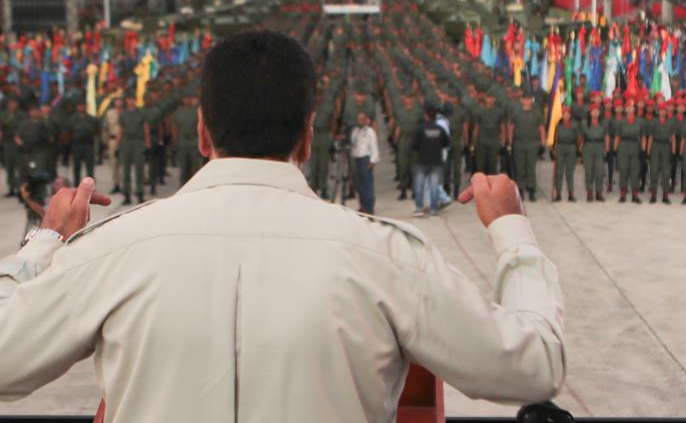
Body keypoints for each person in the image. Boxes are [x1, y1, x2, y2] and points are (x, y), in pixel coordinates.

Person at [0, 30, 566, 422]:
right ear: (307, 136)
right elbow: (534, 366)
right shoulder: (389, 257)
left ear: (203, 133)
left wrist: (45, 243)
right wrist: (511, 232)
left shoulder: (113, 250)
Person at [411, 103, 450, 217]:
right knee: (434, 185)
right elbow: (446, 143)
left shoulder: (420, 129)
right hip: (436, 161)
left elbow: (413, 145)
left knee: (419, 185)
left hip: (422, 161)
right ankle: (434, 209)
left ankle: (419, 208)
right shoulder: (440, 129)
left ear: (426, 115)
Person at [508, 95, 545, 201]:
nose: (527, 101)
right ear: (521, 100)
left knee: (531, 167)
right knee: (519, 167)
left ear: (531, 101)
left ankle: (531, 189)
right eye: (525, 99)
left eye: (529, 99)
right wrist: (510, 143)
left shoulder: (537, 114)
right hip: (519, 143)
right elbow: (511, 128)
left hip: (533, 143)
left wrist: (542, 144)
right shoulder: (516, 113)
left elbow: (541, 129)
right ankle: (520, 189)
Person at [614, 99, 645, 204]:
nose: (630, 109)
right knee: (623, 170)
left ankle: (635, 195)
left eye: (632, 107)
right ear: (625, 109)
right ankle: (623, 194)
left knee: (635, 171)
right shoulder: (621, 122)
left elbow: (643, 137)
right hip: (623, 146)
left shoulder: (640, 121)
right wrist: (615, 150)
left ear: (634, 109)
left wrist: (643, 150)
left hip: (635, 146)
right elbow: (617, 136)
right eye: (628, 107)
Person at [119, 95, 148, 205]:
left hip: (138, 142)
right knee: (125, 170)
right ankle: (126, 194)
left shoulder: (141, 113)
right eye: (129, 99)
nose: (131, 101)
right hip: (126, 142)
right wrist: (117, 145)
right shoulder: (123, 114)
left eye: (132, 99)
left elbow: (146, 129)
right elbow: (121, 130)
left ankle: (140, 193)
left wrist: (147, 145)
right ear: (126, 101)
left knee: (139, 169)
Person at [350, 111, 379, 214]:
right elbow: (353, 145)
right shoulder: (355, 131)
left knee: (367, 185)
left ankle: (370, 208)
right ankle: (362, 206)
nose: (360, 121)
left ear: (367, 120)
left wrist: (372, 161)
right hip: (357, 159)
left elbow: (374, 147)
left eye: (362, 119)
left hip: (365, 159)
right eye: (359, 119)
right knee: (359, 185)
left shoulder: (370, 132)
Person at [172, 91, 202, 186]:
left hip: (194, 142)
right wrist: (174, 142)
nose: (188, 100)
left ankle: (195, 187)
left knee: (194, 167)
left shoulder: (196, 111)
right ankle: (183, 186)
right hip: (182, 143)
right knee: (183, 167)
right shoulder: (179, 112)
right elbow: (174, 128)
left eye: (190, 98)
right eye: (186, 98)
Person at [647, 102, 674, 204]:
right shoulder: (654, 122)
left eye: (664, 110)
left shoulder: (670, 122)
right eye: (661, 110)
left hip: (666, 146)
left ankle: (665, 196)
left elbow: (673, 137)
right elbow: (650, 137)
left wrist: (673, 150)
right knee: (654, 170)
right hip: (655, 146)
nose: (662, 112)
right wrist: (648, 150)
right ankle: (653, 195)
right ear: (658, 111)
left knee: (666, 171)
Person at [581, 103, 608, 202]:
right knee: (589, 171)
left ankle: (599, 193)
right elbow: (581, 137)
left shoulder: (603, 123)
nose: (595, 113)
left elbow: (606, 136)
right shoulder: (585, 123)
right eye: (593, 111)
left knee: (599, 171)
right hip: (588, 147)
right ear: (590, 113)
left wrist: (606, 149)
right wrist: (579, 150)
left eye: (597, 111)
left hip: (599, 147)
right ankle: (589, 193)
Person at [68, 101, 99, 185]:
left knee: (90, 168)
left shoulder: (91, 119)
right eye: (80, 106)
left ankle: (90, 186)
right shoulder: (72, 119)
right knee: (76, 167)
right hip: (77, 145)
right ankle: (76, 185)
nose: (81, 108)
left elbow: (96, 131)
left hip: (88, 145)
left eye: (83, 106)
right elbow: (68, 132)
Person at [553, 105, 578, 202]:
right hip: (560, 147)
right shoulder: (557, 125)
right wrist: (553, 149)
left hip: (571, 147)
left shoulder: (574, 125)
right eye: (564, 114)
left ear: (570, 115)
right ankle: (558, 194)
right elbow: (553, 137)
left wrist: (577, 149)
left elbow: (579, 137)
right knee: (559, 172)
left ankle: (571, 194)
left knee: (569, 173)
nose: (566, 115)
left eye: (568, 114)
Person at [1, 97, 23, 197]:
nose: (12, 105)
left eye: (14, 103)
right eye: (10, 103)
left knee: (19, 166)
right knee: (9, 166)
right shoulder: (3, 115)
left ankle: (20, 188)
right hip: (7, 143)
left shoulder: (21, 115)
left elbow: (23, 127)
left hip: (17, 144)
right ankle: (11, 188)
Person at [102, 97, 124, 194]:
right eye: (117, 101)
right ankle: (116, 184)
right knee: (114, 163)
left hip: (124, 141)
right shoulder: (109, 113)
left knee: (123, 164)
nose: (119, 103)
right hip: (112, 140)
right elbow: (105, 128)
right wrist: (105, 142)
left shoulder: (125, 113)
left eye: (120, 101)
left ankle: (123, 184)